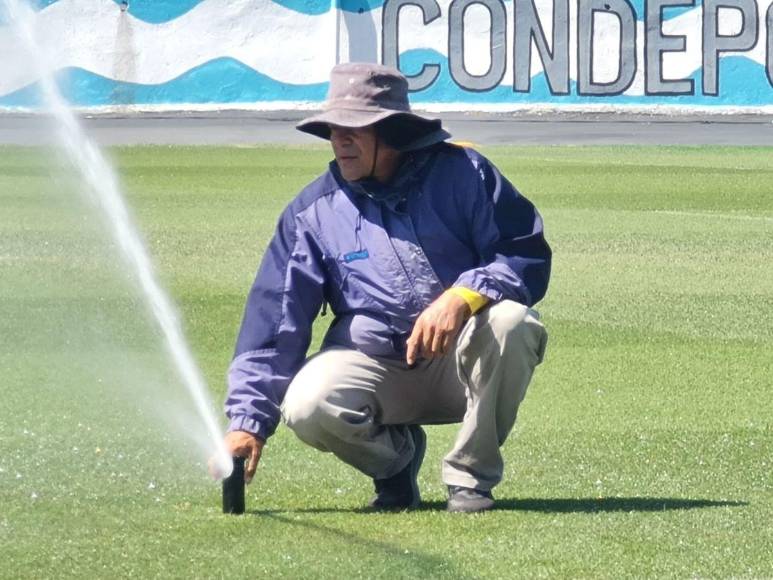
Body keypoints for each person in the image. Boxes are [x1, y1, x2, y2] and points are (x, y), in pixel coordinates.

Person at [218, 62, 551, 513]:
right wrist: (247, 422)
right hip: (377, 369)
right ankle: (395, 468)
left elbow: (523, 254)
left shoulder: (466, 174)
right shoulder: (310, 212)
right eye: (334, 130)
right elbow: (275, 325)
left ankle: (470, 479)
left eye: (354, 129)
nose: (340, 140)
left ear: (392, 132)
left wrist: (463, 295)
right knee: (306, 404)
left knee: (513, 321)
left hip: (463, 365)